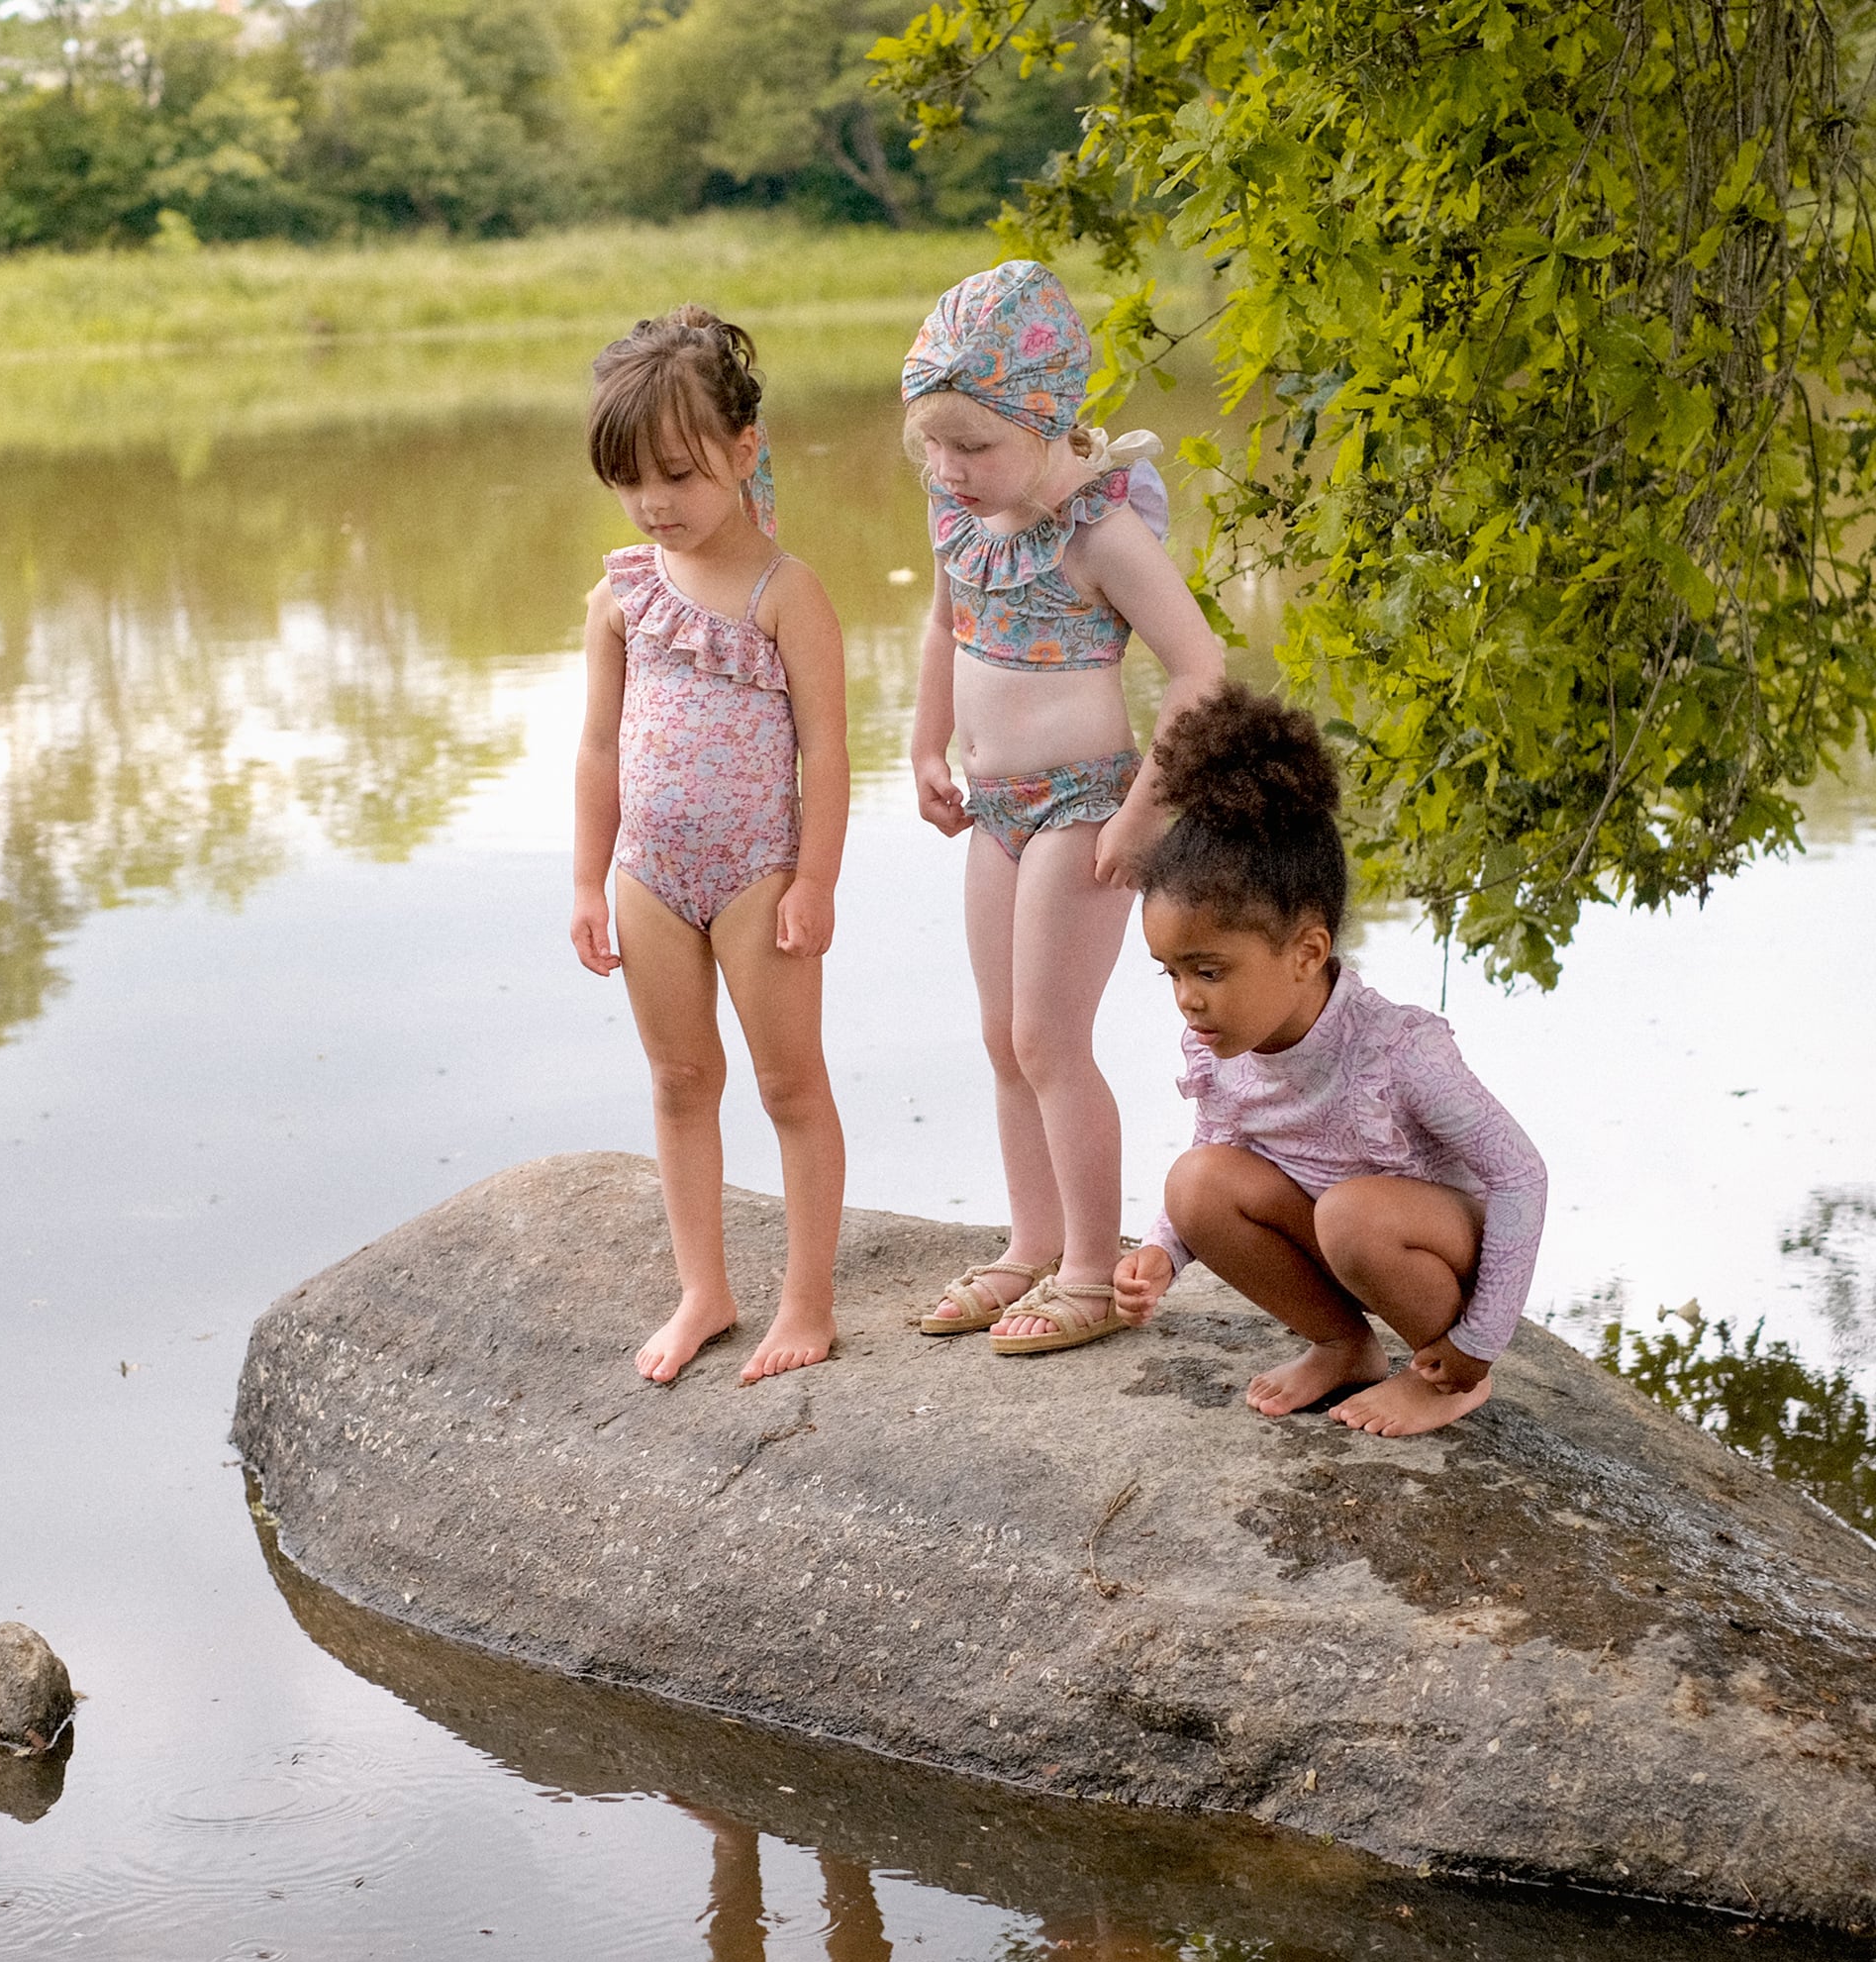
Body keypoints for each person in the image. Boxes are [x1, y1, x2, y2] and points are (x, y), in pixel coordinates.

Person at [902, 259, 1230, 1355]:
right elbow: (946, 629)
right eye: (934, 445)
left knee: (1049, 1035)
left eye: (975, 446)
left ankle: (1091, 1269)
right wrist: (921, 742)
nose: (950, 468)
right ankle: (1028, 1244)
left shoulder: (1099, 532)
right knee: (1001, 1038)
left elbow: (1199, 670)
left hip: (1086, 804)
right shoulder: (959, 515)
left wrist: (1143, 811)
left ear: (1045, 421)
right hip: (992, 801)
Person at [1112, 685, 1548, 1435]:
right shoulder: (1221, 1047)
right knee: (1197, 1184)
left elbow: (1520, 1176)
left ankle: (1443, 1376)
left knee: (1353, 1215)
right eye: (1170, 972)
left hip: (1431, 1253)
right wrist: (1162, 1252)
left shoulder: (1397, 1052)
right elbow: (1220, 1147)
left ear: (1307, 952)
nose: (1186, 999)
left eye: (1208, 971)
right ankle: (1344, 1346)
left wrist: (1482, 1338)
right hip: (1341, 1237)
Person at [571, 307, 849, 1386]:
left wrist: (814, 877)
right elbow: (598, 746)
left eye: (679, 476)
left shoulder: (789, 593)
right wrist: (587, 881)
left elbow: (825, 750)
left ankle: (805, 1299)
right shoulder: (622, 593)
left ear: (743, 452)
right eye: (631, 479)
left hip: (756, 874)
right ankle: (704, 1288)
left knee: (789, 1085)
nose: (654, 504)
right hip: (648, 870)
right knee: (679, 1077)